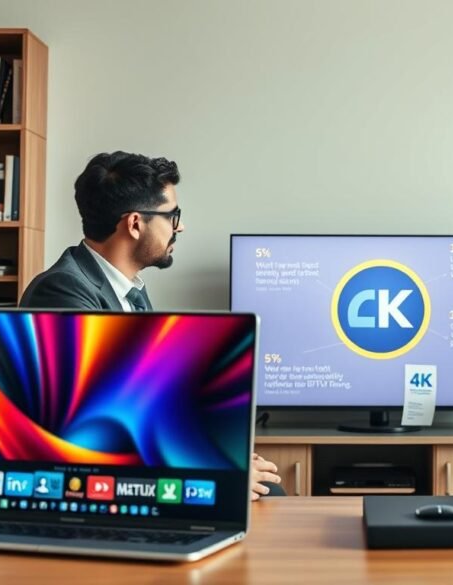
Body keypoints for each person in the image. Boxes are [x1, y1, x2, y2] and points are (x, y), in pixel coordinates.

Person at [20, 151, 283, 500]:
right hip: (87, 485)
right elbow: (97, 428)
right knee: (264, 496)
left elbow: (147, 405)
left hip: (133, 467)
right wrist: (214, 470)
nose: (180, 226)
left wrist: (219, 456)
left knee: (269, 491)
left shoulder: (129, 291)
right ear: (134, 224)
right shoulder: (63, 293)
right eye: (173, 215)